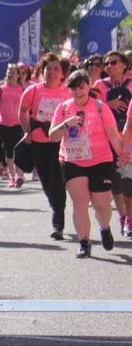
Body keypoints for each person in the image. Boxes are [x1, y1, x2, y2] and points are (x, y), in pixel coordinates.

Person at [49, 69, 126, 258]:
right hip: (72, 161)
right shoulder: (64, 108)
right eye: (73, 89)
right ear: (69, 90)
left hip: (100, 160)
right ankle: (84, 242)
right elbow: (52, 136)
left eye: (81, 88)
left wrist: (122, 155)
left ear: (88, 86)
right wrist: (66, 124)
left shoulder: (100, 107)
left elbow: (114, 136)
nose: (78, 93)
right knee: (80, 203)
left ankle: (105, 227)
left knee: (101, 205)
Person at [19, 54, 71, 239]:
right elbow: (23, 111)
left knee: (57, 182)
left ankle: (59, 223)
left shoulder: (67, 93)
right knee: (47, 182)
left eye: (56, 69)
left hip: (60, 143)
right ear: (43, 71)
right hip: (38, 142)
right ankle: (56, 206)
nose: (52, 72)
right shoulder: (33, 91)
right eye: (48, 68)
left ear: (63, 74)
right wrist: (27, 131)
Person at [93, 51, 132, 236]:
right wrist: (109, 104)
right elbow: (90, 106)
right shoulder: (99, 85)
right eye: (106, 63)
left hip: (129, 132)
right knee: (115, 179)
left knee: (128, 177)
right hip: (107, 134)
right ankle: (123, 217)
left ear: (124, 64)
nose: (109, 66)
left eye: (114, 62)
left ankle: (129, 218)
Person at [0, 64, 25, 187]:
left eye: (13, 72)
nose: (10, 73)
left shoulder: (23, 90)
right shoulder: (1, 90)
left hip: (19, 125)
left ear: (18, 75)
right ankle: (13, 177)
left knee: (18, 151)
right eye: (9, 71)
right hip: (3, 125)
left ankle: (19, 175)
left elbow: (27, 110)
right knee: (9, 152)